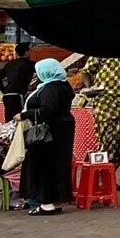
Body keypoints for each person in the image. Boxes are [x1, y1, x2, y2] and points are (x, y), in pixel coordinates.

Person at [20, 58, 76, 214]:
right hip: (61, 131)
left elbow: (48, 110)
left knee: (45, 166)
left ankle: (47, 202)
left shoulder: (50, 88)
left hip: (49, 133)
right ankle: (56, 201)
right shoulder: (63, 85)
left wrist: (25, 114)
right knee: (58, 166)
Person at [0, 41, 35, 120]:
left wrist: (3, 90)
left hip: (7, 95)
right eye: (29, 51)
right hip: (18, 95)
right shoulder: (30, 64)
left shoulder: (10, 64)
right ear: (26, 52)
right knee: (20, 118)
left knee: (9, 119)